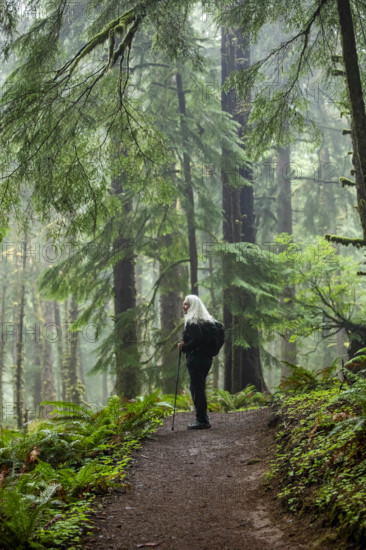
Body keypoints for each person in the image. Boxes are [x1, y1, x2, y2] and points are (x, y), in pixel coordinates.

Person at [178, 294, 214, 430]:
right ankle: (203, 417)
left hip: (196, 360)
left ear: (193, 306)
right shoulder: (205, 321)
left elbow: (197, 339)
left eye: (186, 304)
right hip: (206, 359)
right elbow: (198, 338)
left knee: (196, 388)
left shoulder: (192, 321)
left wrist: (183, 347)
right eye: (183, 304)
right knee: (198, 387)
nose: (183, 306)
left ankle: (202, 420)